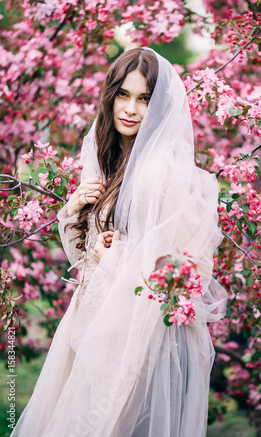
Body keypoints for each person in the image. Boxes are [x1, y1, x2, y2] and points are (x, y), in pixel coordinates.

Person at [10, 47, 228, 437]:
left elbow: (189, 275)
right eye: (123, 95)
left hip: (137, 335)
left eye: (144, 98)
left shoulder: (166, 172)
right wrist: (73, 209)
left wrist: (115, 261)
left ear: (158, 105)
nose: (130, 108)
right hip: (92, 318)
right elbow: (85, 257)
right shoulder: (106, 153)